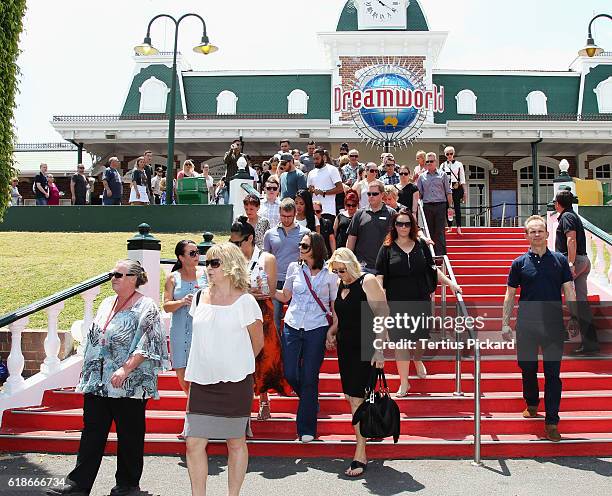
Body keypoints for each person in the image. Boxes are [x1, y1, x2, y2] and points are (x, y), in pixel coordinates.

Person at [48, 260, 168, 496]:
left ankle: (127, 485)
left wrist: (126, 369)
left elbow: (149, 343)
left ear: (134, 278)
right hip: (99, 382)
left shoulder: (147, 306)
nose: (112, 278)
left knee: (129, 436)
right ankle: (78, 485)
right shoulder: (105, 303)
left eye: (118, 274)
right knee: (92, 432)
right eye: (111, 274)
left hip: (129, 384)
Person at [184, 243, 263, 496]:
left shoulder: (246, 301)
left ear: (231, 265)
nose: (208, 268)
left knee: (236, 442)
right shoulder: (199, 297)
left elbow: (258, 343)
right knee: (194, 442)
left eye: (214, 263)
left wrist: (235, 364)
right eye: (206, 263)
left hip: (235, 384)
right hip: (202, 382)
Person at [502, 215, 579, 442]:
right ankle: (532, 402)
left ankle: (552, 422)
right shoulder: (519, 263)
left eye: (540, 231)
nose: (536, 234)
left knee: (553, 374)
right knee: (527, 367)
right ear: (526, 236)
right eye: (532, 231)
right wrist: (505, 322)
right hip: (526, 324)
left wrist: (575, 317)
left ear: (547, 234)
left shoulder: (560, 261)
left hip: (553, 325)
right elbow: (510, 294)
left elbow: (569, 290)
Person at [376, 209, 461, 396]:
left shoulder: (421, 244)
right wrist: (381, 296)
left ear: (412, 226)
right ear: (394, 226)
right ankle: (404, 382)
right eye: (400, 224)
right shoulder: (387, 248)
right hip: (396, 301)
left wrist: (451, 283)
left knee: (420, 340)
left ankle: (417, 359)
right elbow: (380, 275)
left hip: (420, 298)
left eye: (407, 224)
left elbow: (433, 269)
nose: (403, 227)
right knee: (400, 343)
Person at [326, 248, 388, 477]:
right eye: (336, 270)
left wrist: (379, 349)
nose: (339, 274)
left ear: (352, 264)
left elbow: (383, 314)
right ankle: (367, 434)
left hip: (366, 347)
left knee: (356, 399)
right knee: (351, 397)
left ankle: (360, 453)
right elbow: (342, 316)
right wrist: (333, 331)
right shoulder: (343, 284)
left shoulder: (367, 281)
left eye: (342, 269)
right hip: (346, 348)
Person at [275, 232, 338, 442]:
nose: (300, 248)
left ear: (316, 249)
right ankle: (310, 400)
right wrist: (265, 291)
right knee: (290, 372)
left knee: (310, 377)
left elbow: (334, 305)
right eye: (300, 245)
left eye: (305, 245)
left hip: (317, 327)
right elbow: (285, 296)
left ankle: (306, 429)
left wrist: (333, 329)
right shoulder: (294, 268)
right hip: (292, 325)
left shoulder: (330, 273)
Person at [230, 218, 291, 421]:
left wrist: (245, 291)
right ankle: (242, 403)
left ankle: (264, 400)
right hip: (236, 313)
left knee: (263, 359)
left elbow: (271, 291)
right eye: (233, 243)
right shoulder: (232, 260)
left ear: (250, 239)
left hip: (261, 313)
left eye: (238, 243)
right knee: (239, 358)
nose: (235, 247)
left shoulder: (267, 259)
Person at [554, 190, 599, 354]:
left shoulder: (566, 217)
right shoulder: (572, 216)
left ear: (558, 204)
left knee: (551, 293)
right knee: (581, 303)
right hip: (583, 261)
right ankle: (590, 342)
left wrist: (570, 264)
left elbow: (570, 239)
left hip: (574, 261)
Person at [163, 240, 208, 394]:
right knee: (181, 370)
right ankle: (191, 404)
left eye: (198, 252)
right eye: (192, 253)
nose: (197, 256)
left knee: (202, 369)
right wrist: (182, 302)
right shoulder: (172, 278)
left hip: (202, 328)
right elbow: (166, 306)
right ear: (181, 257)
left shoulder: (206, 275)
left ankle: (199, 406)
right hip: (179, 329)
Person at [263, 198, 309, 333]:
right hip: (275, 281)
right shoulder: (270, 234)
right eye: (283, 216)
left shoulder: (305, 233)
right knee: (274, 322)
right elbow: (265, 258)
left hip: (296, 280)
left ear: (295, 214)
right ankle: (277, 353)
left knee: (297, 321)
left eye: (289, 216)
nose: (286, 219)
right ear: (279, 213)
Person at [346, 180, 396, 274]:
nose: (371, 196)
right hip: (362, 266)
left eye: (375, 194)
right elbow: (351, 238)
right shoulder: (359, 213)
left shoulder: (391, 213)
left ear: (382, 195)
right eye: (369, 194)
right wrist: (348, 261)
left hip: (384, 266)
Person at [417, 152, 453, 256]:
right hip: (427, 206)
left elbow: (448, 192)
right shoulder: (421, 177)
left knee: (440, 231)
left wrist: (450, 207)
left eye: (431, 161)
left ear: (435, 162)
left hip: (440, 205)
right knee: (429, 231)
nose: (429, 163)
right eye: (427, 161)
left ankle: (441, 256)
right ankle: (429, 255)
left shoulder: (443, 175)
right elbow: (419, 194)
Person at [308, 148, 344, 220]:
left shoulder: (332, 169)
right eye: (314, 159)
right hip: (314, 212)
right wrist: (311, 191)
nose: (315, 161)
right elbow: (309, 193)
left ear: (324, 157)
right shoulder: (311, 173)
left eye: (317, 159)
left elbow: (340, 189)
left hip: (328, 211)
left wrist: (323, 192)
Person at [440, 146, 466, 235]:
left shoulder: (459, 164)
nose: (449, 155)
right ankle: (450, 226)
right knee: (448, 208)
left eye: (451, 153)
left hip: (457, 188)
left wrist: (465, 192)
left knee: (457, 208)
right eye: (447, 154)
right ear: (445, 155)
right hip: (447, 189)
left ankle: (459, 227)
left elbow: (462, 179)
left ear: (453, 154)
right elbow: (441, 179)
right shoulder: (443, 165)